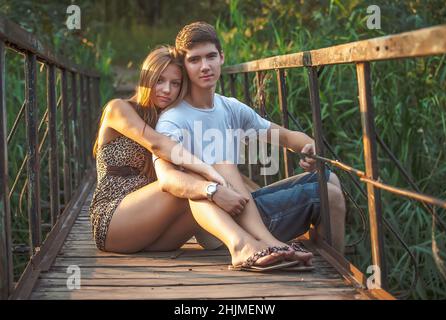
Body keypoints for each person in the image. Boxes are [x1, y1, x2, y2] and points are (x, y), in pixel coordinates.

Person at [88, 45, 297, 271]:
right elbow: (157, 144)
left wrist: (222, 178)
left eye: (175, 83)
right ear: (146, 78)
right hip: (114, 222)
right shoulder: (119, 108)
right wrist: (209, 174)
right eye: (160, 80)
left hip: (153, 235)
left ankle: (266, 244)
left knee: (212, 175)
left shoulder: (168, 119)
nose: (167, 89)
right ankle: (244, 247)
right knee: (192, 180)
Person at [153, 22, 346, 262]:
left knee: (328, 177)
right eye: (195, 60)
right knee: (330, 195)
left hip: (242, 205)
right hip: (217, 221)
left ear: (222, 57)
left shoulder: (229, 107)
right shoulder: (173, 119)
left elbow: (285, 136)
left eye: (211, 56)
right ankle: (333, 268)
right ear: (184, 66)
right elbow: (167, 177)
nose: (205, 66)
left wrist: (309, 147)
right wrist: (212, 190)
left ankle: (320, 254)